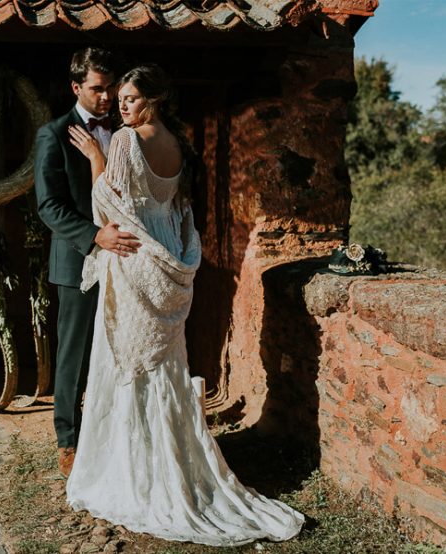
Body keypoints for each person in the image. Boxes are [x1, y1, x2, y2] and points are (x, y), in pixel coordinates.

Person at [64, 64, 305, 546]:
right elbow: (173, 209)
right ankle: (170, 462)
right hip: (166, 257)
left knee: (129, 363)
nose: (122, 105)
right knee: (163, 366)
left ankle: (137, 475)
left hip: (134, 260)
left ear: (152, 100)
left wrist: (95, 156)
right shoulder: (177, 143)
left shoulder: (126, 142)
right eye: (121, 98)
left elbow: (108, 205)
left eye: (131, 98)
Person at [34, 48, 141, 478]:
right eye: (97, 89)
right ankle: (68, 441)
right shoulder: (53, 134)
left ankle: (112, 433)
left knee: (119, 346)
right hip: (77, 261)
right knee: (74, 355)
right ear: (76, 87)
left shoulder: (125, 132)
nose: (107, 97)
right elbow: (49, 206)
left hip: (126, 259)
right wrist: (95, 235)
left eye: (111, 88)